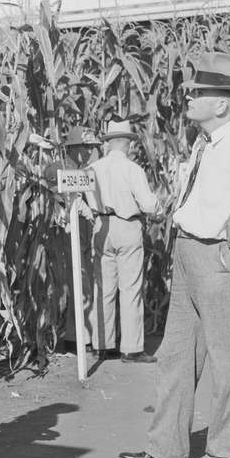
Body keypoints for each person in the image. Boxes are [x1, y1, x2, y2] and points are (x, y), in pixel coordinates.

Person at [119, 52, 230, 458]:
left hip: (220, 259)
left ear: (221, 105)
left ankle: (228, 455)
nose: (189, 96)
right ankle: (167, 447)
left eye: (199, 92)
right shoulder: (206, 143)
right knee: (175, 356)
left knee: (229, 361)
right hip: (190, 256)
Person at [87, 117, 161, 363]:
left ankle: (102, 344)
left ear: (109, 143)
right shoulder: (133, 169)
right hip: (127, 226)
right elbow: (149, 204)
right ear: (128, 143)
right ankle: (131, 348)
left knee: (104, 287)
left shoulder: (94, 168)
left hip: (101, 226)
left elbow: (86, 199)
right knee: (130, 289)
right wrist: (158, 210)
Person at [43, 126, 101, 352]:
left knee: (84, 285)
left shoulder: (85, 171)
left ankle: (75, 336)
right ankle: (78, 339)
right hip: (66, 238)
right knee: (78, 285)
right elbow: (52, 186)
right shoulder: (58, 168)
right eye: (85, 148)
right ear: (74, 148)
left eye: (91, 148)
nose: (89, 152)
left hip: (84, 235)